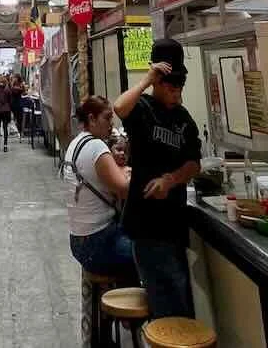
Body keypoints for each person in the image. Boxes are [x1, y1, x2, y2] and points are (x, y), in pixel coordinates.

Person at [114, 38, 201, 319]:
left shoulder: (184, 119)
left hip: (173, 221)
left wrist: (171, 179)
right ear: (158, 83)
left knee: (178, 293)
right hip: (146, 223)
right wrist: (146, 79)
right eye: (170, 86)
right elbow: (119, 107)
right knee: (167, 297)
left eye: (179, 87)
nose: (176, 92)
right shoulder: (143, 109)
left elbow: (193, 163)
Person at [65, 96, 135, 278]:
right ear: (91, 119)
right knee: (151, 255)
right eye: (107, 118)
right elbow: (124, 189)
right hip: (98, 242)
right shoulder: (96, 147)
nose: (111, 124)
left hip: (79, 241)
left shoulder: (75, 143)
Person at [0, 70, 14, 150]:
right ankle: (5, 146)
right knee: (5, 128)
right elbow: (10, 101)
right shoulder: (8, 90)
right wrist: (11, 110)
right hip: (6, 111)